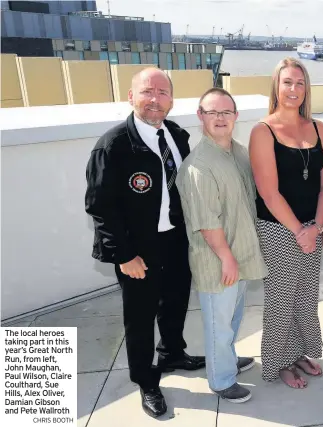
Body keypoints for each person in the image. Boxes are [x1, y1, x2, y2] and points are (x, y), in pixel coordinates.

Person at [84, 67, 205, 418]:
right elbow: (100, 206)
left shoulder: (177, 136)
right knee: (139, 317)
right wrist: (124, 256)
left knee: (176, 301)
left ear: (172, 99)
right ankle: (146, 379)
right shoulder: (113, 146)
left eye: (163, 92)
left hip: (176, 240)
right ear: (131, 96)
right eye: (148, 92)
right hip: (138, 249)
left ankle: (172, 353)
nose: (155, 99)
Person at [176, 88, 268, 403]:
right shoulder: (198, 165)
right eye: (212, 112)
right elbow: (206, 220)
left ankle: (227, 360)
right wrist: (227, 258)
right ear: (200, 116)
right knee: (219, 324)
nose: (219, 118)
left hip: (239, 254)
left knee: (232, 319)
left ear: (235, 117)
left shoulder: (239, 152)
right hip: (218, 261)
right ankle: (221, 380)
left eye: (226, 112)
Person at [248, 57, 323, 389]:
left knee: (306, 296)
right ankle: (277, 363)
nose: (294, 89)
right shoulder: (262, 131)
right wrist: (300, 230)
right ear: (276, 86)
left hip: (314, 227)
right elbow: (268, 193)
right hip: (278, 228)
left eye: (300, 83)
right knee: (281, 299)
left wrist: (316, 227)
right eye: (287, 82)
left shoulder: (319, 128)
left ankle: (296, 353)